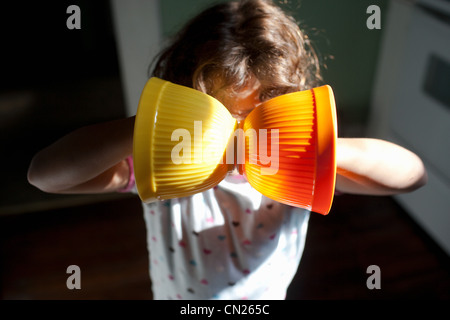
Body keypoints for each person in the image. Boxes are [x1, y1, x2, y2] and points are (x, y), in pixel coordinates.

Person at [27, 0, 427, 299]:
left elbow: (411, 175)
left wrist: (320, 145)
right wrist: (145, 128)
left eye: (259, 114)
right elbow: (44, 176)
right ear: (182, 107)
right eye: (218, 113)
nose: (239, 134)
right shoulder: (160, 163)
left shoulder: (302, 169)